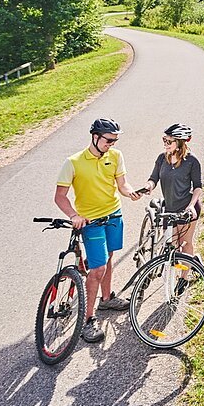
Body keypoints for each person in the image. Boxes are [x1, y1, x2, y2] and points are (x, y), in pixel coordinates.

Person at [54, 118, 141, 343]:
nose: (111, 144)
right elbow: (60, 197)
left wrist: (131, 192)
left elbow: (122, 184)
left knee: (109, 258)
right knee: (97, 268)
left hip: (114, 215)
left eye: (115, 140)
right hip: (90, 221)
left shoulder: (116, 156)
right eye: (108, 140)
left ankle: (106, 299)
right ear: (95, 136)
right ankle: (88, 319)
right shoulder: (73, 162)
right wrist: (74, 216)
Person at [134, 123, 203, 265]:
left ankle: (183, 279)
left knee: (184, 243)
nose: (165, 144)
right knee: (172, 245)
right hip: (169, 208)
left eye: (169, 141)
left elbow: (197, 187)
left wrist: (191, 206)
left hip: (187, 206)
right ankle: (190, 265)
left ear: (179, 143)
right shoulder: (162, 159)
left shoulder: (191, 161)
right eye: (164, 140)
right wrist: (148, 186)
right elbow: (153, 178)